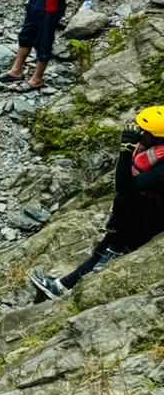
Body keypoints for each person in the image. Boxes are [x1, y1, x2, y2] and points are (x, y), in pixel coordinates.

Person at [30, 106, 164, 299]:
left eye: (145, 131)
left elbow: (124, 187)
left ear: (158, 136)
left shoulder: (161, 171)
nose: (139, 132)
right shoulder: (153, 151)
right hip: (138, 211)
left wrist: (126, 151)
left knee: (111, 248)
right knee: (106, 246)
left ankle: (62, 288)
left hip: (145, 219)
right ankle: (62, 284)